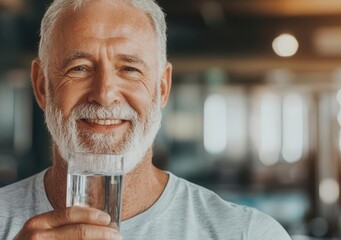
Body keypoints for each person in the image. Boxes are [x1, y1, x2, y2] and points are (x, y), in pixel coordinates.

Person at [0, 0, 291, 239]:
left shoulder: (247, 233)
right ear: (41, 86)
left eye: (129, 69)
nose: (104, 95)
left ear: (162, 88)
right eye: (79, 68)